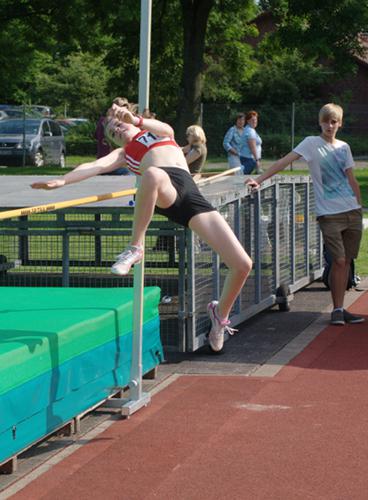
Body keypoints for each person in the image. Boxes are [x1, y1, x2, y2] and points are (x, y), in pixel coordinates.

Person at [31, 98, 252, 352]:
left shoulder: (156, 132)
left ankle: (219, 316)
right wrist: (62, 181)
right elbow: (94, 166)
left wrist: (132, 119)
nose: (118, 131)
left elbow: (167, 130)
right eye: (113, 133)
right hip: (162, 189)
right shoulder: (124, 153)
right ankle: (135, 247)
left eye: (118, 126)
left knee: (242, 264)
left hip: (190, 195)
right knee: (153, 174)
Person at [246, 103, 364, 326]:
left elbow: (351, 179)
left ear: (340, 123)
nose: (330, 125)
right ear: (320, 122)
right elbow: (284, 161)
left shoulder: (344, 147)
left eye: (334, 121)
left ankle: (339, 309)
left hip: (352, 211)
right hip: (329, 214)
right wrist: (259, 180)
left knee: (346, 261)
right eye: (326, 121)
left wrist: (359, 205)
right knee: (338, 260)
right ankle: (337, 309)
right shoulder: (311, 143)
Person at [240, 110, 262, 175]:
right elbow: (252, 147)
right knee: (243, 177)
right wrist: (257, 160)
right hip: (249, 159)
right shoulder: (250, 131)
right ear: (248, 121)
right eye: (252, 120)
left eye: (255, 119)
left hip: (249, 158)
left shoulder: (250, 129)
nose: (255, 121)